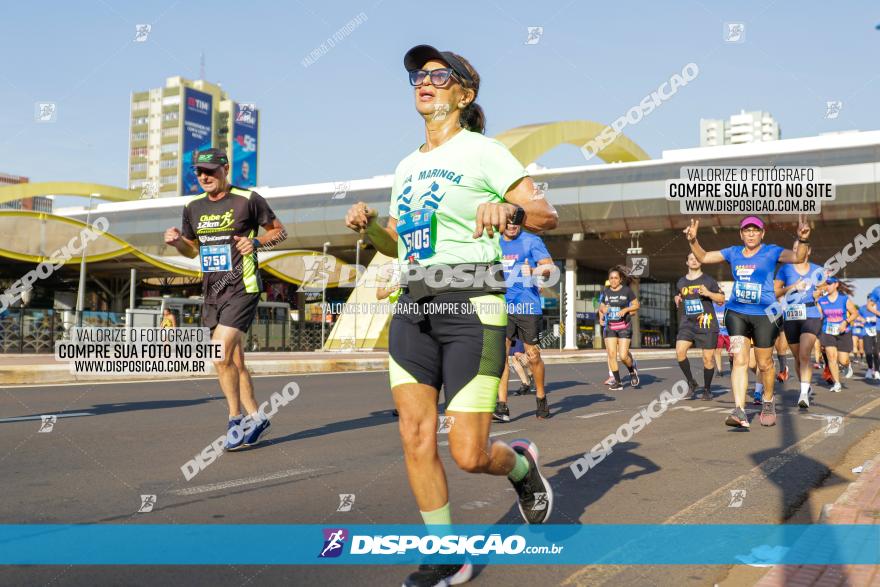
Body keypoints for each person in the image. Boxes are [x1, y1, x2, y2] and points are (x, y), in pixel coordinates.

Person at [343, 44, 558, 587]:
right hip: (413, 305)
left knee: (468, 453)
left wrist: (509, 209)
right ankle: (446, 555)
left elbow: (545, 213)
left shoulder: (484, 151)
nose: (425, 81)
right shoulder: (406, 165)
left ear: (464, 94)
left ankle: (519, 466)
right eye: (418, 74)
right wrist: (369, 228)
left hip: (473, 303)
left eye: (439, 75)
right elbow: (397, 244)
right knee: (415, 437)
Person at [164, 148, 286, 450]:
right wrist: (179, 241)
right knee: (234, 361)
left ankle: (235, 419)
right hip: (212, 293)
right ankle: (257, 417)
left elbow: (280, 233)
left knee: (218, 354)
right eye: (199, 172)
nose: (204, 176)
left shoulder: (248, 199)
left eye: (210, 171)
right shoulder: (193, 207)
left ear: (225, 170)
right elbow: (192, 250)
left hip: (242, 287)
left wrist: (255, 241)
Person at [684, 215, 810, 428]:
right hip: (737, 313)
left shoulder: (772, 251)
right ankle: (739, 410)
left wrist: (803, 239)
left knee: (764, 364)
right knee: (740, 361)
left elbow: (798, 257)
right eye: (747, 230)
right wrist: (693, 241)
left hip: (764, 314)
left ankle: (768, 402)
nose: (751, 233)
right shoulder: (733, 252)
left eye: (755, 230)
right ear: (741, 234)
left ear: (762, 234)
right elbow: (704, 257)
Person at [494, 224, 554, 422]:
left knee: (532, 357)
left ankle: (541, 397)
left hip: (527, 306)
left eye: (516, 221)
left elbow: (550, 267)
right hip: (502, 306)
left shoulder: (531, 240)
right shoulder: (494, 240)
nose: (512, 225)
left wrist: (535, 270)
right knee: (501, 357)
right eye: (508, 221)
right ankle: (502, 406)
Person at [774, 245, 825, 408]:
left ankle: (803, 394)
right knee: (798, 357)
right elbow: (775, 292)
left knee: (804, 355)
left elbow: (824, 287)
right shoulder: (785, 269)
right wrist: (792, 287)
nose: (798, 250)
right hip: (791, 316)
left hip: (811, 314)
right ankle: (806, 386)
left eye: (801, 248)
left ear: (808, 251)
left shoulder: (817, 269)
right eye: (794, 248)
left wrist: (820, 292)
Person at [673, 252, 725, 400]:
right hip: (687, 323)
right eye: (691, 259)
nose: (694, 261)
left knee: (708, 359)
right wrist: (677, 297)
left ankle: (707, 389)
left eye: (697, 259)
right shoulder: (681, 282)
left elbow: (721, 299)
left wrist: (708, 293)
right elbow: (679, 294)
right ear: (687, 262)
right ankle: (691, 382)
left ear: (701, 261)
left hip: (707, 323)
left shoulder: (708, 281)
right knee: (680, 352)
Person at [598, 266, 641, 391]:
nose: (613, 280)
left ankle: (632, 372)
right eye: (611, 278)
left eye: (616, 278)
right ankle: (618, 382)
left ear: (620, 279)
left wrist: (626, 310)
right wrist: (603, 310)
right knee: (611, 354)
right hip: (610, 327)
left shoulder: (627, 291)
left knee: (623, 355)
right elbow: (601, 306)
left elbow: (636, 305)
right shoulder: (605, 292)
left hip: (624, 327)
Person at [817, 277, 859, 392]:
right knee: (831, 358)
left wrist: (845, 322)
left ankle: (847, 365)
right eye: (826, 284)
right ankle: (837, 383)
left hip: (843, 332)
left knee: (842, 360)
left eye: (830, 284)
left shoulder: (844, 299)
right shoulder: (822, 301)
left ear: (836, 285)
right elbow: (818, 316)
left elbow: (855, 313)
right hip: (828, 332)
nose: (827, 286)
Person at [857, 301, 879, 380]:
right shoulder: (862, 308)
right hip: (866, 331)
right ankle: (870, 369)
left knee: (876, 352)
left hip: (877, 331)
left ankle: (877, 371)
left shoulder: (878, 307)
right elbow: (856, 315)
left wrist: (872, 319)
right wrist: (861, 319)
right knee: (868, 352)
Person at [713, 300, 732, 376]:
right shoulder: (713, 306)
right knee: (717, 351)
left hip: (728, 333)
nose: (719, 301)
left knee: (731, 353)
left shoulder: (728, 305)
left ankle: (732, 365)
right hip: (718, 333)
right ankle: (719, 370)